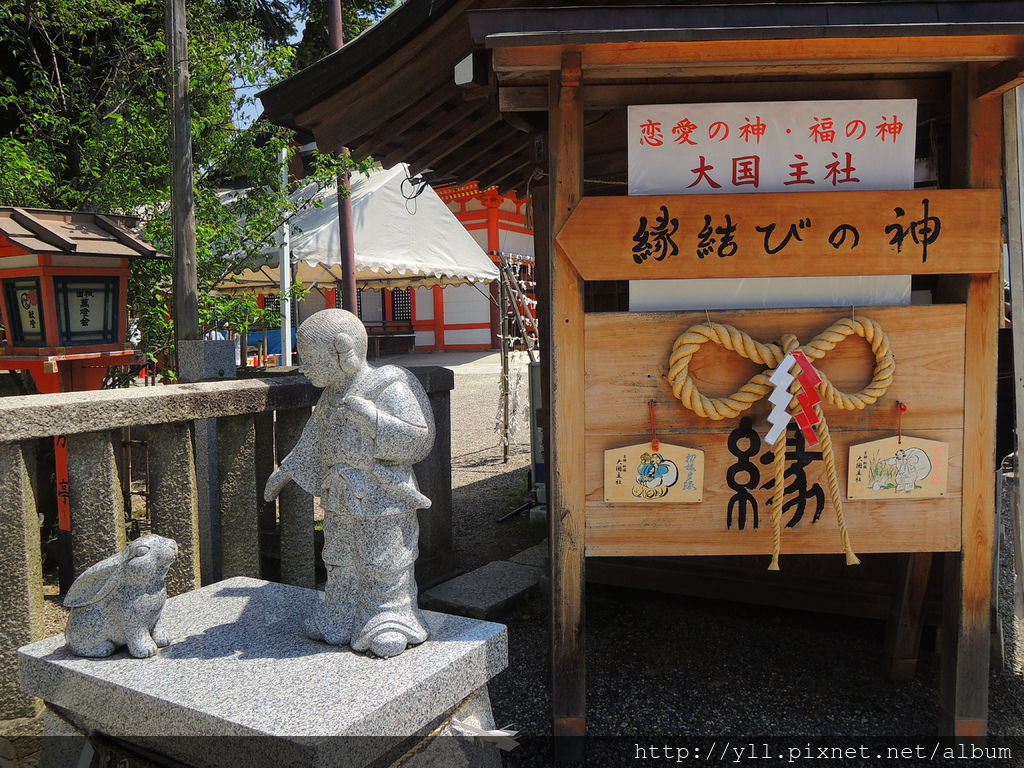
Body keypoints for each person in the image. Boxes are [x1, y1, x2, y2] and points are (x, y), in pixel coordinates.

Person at [264, 309, 434, 657]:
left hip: (383, 496)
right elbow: (314, 437)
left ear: (343, 350)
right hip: (339, 492)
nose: (302, 366)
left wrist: (372, 419)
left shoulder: (388, 384)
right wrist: (286, 470)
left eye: (309, 358)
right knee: (339, 557)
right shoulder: (332, 393)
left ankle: (389, 618)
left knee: (383, 558)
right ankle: (340, 613)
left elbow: (418, 439)